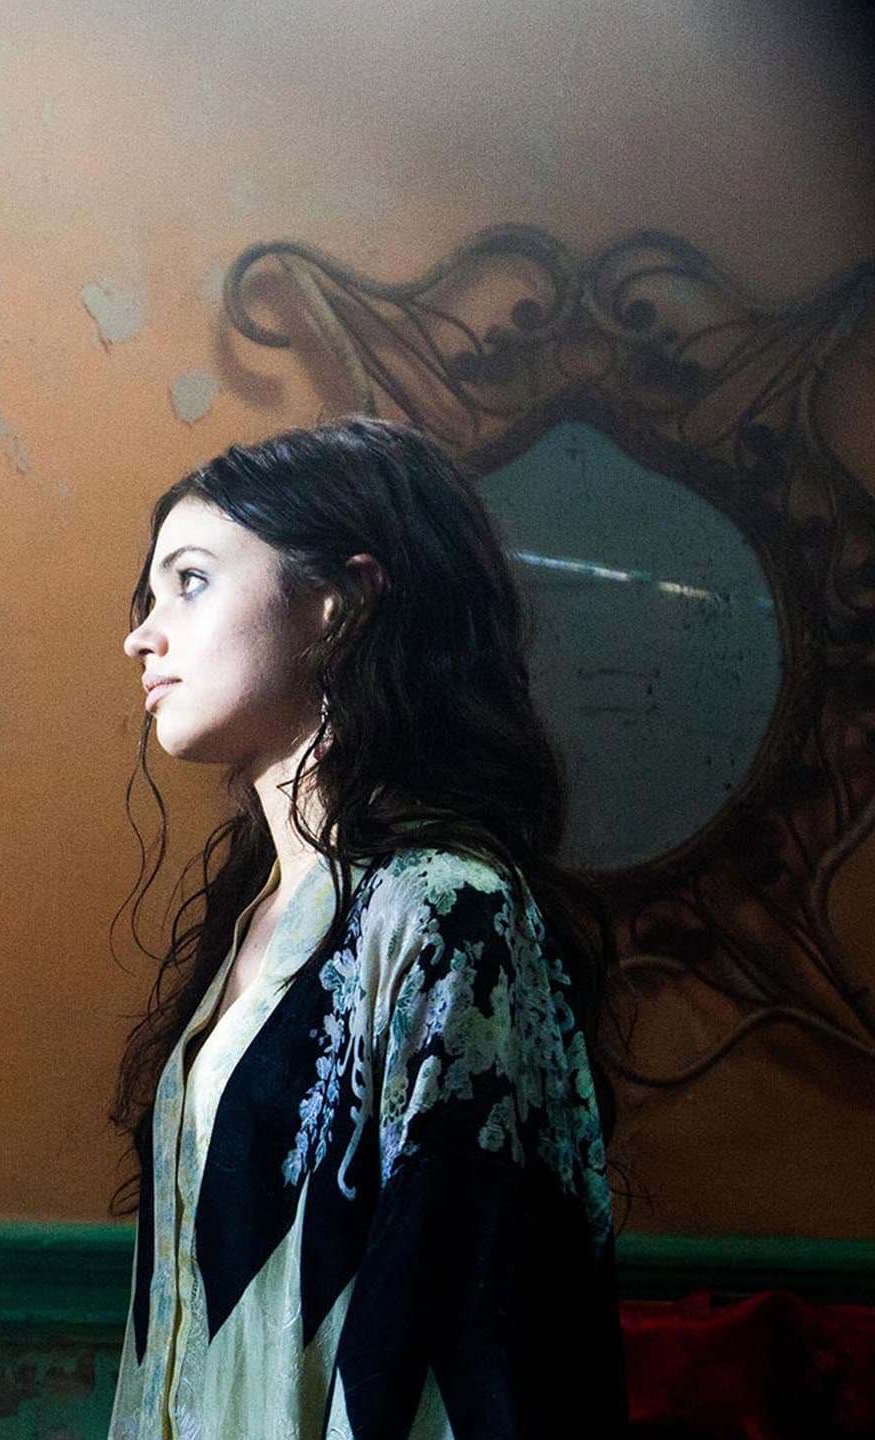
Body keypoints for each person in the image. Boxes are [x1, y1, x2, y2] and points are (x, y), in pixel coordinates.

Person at [109, 417, 624, 1438]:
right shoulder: (260, 913)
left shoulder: (443, 908)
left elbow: (473, 1338)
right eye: (150, 595)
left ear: (337, 604)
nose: (141, 635)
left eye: (192, 581)